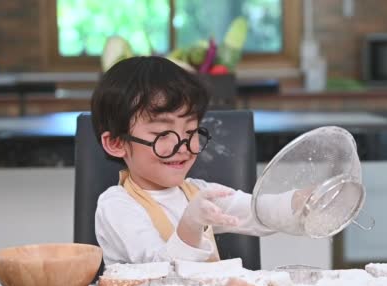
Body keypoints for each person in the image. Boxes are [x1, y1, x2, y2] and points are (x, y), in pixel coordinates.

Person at [91, 56, 301, 265]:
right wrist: (191, 224)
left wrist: (306, 202)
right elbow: (160, 270)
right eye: (162, 133)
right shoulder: (116, 205)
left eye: (190, 131)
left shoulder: (196, 192)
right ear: (117, 143)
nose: (183, 145)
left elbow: (259, 211)